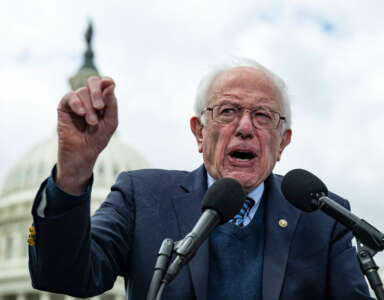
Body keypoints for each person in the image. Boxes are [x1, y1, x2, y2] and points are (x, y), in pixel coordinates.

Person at [28, 59, 373, 300]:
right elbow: (63, 275)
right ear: (199, 133)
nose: (244, 127)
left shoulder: (323, 217)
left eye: (263, 116)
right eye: (227, 111)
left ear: (282, 142)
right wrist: (73, 172)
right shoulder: (142, 196)